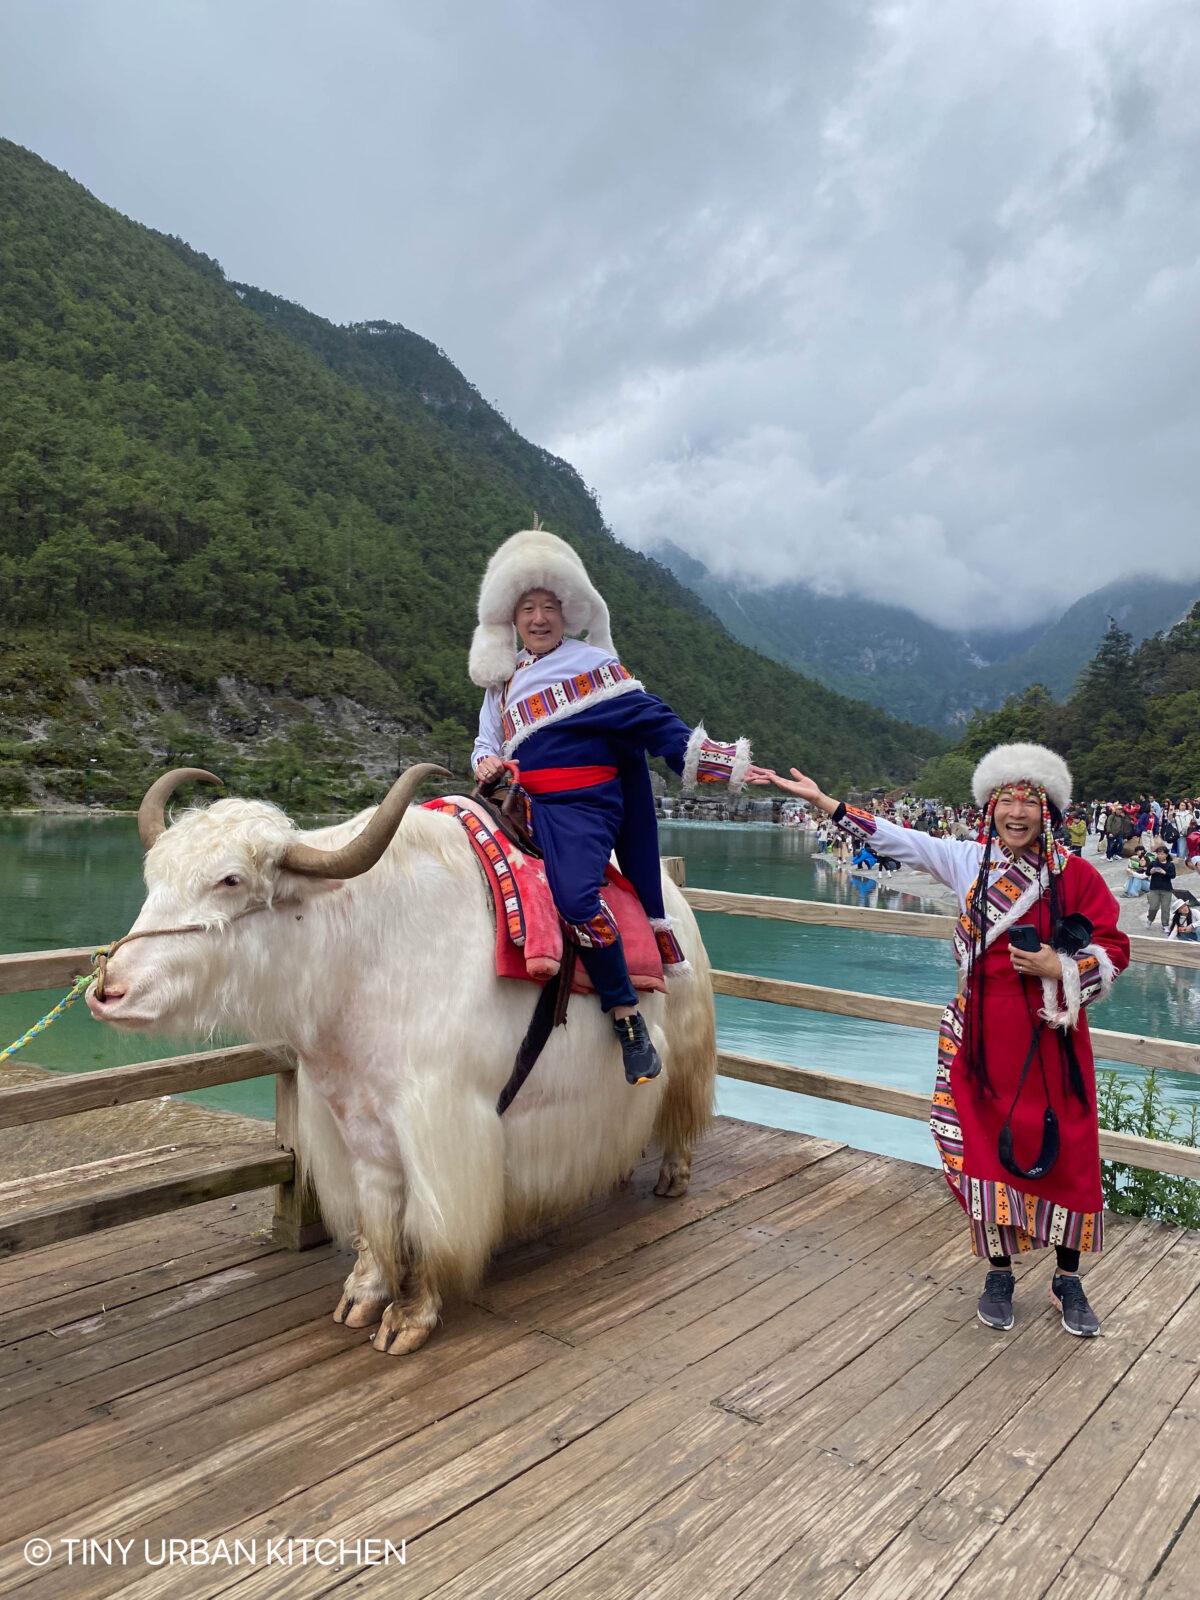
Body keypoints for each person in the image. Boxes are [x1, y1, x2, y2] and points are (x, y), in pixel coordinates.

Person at [769, 743, 1129, 1338]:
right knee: (985, 1147)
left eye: (1028, 803)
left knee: (1066, 1149)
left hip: (1051, 1038)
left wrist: (1058, 969)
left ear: (1049, 811)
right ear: (989, 809)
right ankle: (999, 1270)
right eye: (1005, 801)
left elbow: (1115, 946)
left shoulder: (1076, 875)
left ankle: (1068, 1276)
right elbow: (896, 840)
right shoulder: (968, 863)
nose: (1016, 813)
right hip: (983, 1035)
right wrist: (825, 803)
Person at [470, 527, 770, 1084]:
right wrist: (485, 762)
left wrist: (726, 765)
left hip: (585, 806)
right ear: (512, 618)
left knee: (577, 898)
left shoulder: (593, 667)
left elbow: (655, 723)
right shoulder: (502, 683)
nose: (539, 618)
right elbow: (487, 741)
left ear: (567, 612)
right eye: (528, 608)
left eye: (549, 607)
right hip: (522, 803)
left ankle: (625, 1013)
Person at [1145, 846, 1177, 932]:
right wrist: (1151, 872)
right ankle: (1150, 919)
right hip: (1154, 888)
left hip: (1166, 889)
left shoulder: (1170, 864)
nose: (1160, 856)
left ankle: (1165, 925)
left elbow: (1173, 875)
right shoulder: (1153, 863)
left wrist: (1165, 873)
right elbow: (1147, 873)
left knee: (1165, 908)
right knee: (1153, 907)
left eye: (1162, 854)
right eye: (1158, 854)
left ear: (1166, 855)